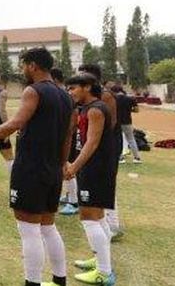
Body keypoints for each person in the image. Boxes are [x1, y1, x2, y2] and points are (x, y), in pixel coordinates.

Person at [0, 48, 75, 286]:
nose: (22, 70)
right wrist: (62, 163)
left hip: (31, 168)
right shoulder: (66, 96)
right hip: (52, 169)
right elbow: (68, 135)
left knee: (28, 229)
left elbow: (15, 123)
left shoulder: (33, 91)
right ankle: (60, 280)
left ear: (33, 66)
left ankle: (33, 282)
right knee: (48, 227)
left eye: (23, 65)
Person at [65, 73, 118, 286]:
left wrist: (74, 167)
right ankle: (101, 261)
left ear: (87, 87)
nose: (70, 93)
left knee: (88, 216)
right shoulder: (87, 108)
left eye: (73, 88)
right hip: (95, 168)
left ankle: (104, 272)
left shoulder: (95, 109)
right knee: (98, 216)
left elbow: (92, 142)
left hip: (96, 169)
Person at [77, 64, 123, 240]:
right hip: (95, 145)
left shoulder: (105, 96)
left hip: (106, 146)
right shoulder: (89, 99)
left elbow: (108, 125)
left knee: (106, 184)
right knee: (97, 188)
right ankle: (107, 224)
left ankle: (113, 224)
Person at [51, 68, 79, 217]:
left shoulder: (66, 95)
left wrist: (68, 133)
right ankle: (69, 195)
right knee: (63, 166)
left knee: (68, 167)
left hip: (67, 137)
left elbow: (74, 117)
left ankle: (73, 202)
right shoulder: (62, 94)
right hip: (62, 135)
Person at [111, 85, 141, 164]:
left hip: (117, 122)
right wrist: (128, 110)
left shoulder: (113, 99)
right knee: (131, 139)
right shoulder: (130, 99)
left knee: (118, 139)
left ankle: (120, 157)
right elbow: (136, 110)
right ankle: (137, 158)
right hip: (127, 121)